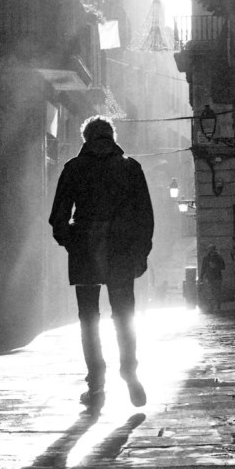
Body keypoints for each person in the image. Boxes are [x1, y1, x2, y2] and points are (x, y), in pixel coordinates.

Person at [49, 115, 154, 413]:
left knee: (89, 320)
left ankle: (96, 383)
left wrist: (73, 241)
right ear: (111, 137)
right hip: (121, 253)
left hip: (85, 253)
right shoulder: (131, 168)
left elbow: (58, 217)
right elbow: (144, 215)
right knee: (124, 316)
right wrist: (141, 252)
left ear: (86, 139)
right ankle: (129, 370)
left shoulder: (73, 168)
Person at [200, 244, 226, 311]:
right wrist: (201, 277)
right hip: (209, 277)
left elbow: (223, 267)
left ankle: (218, 305)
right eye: (209, 250)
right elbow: (203, 268)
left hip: (217, 277)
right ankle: (211, 306)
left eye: (211, 250)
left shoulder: (219, 257)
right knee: (210, 292)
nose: (210, 251)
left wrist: (216, 266)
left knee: (217, 292)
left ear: (214, 250)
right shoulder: (206, 258)